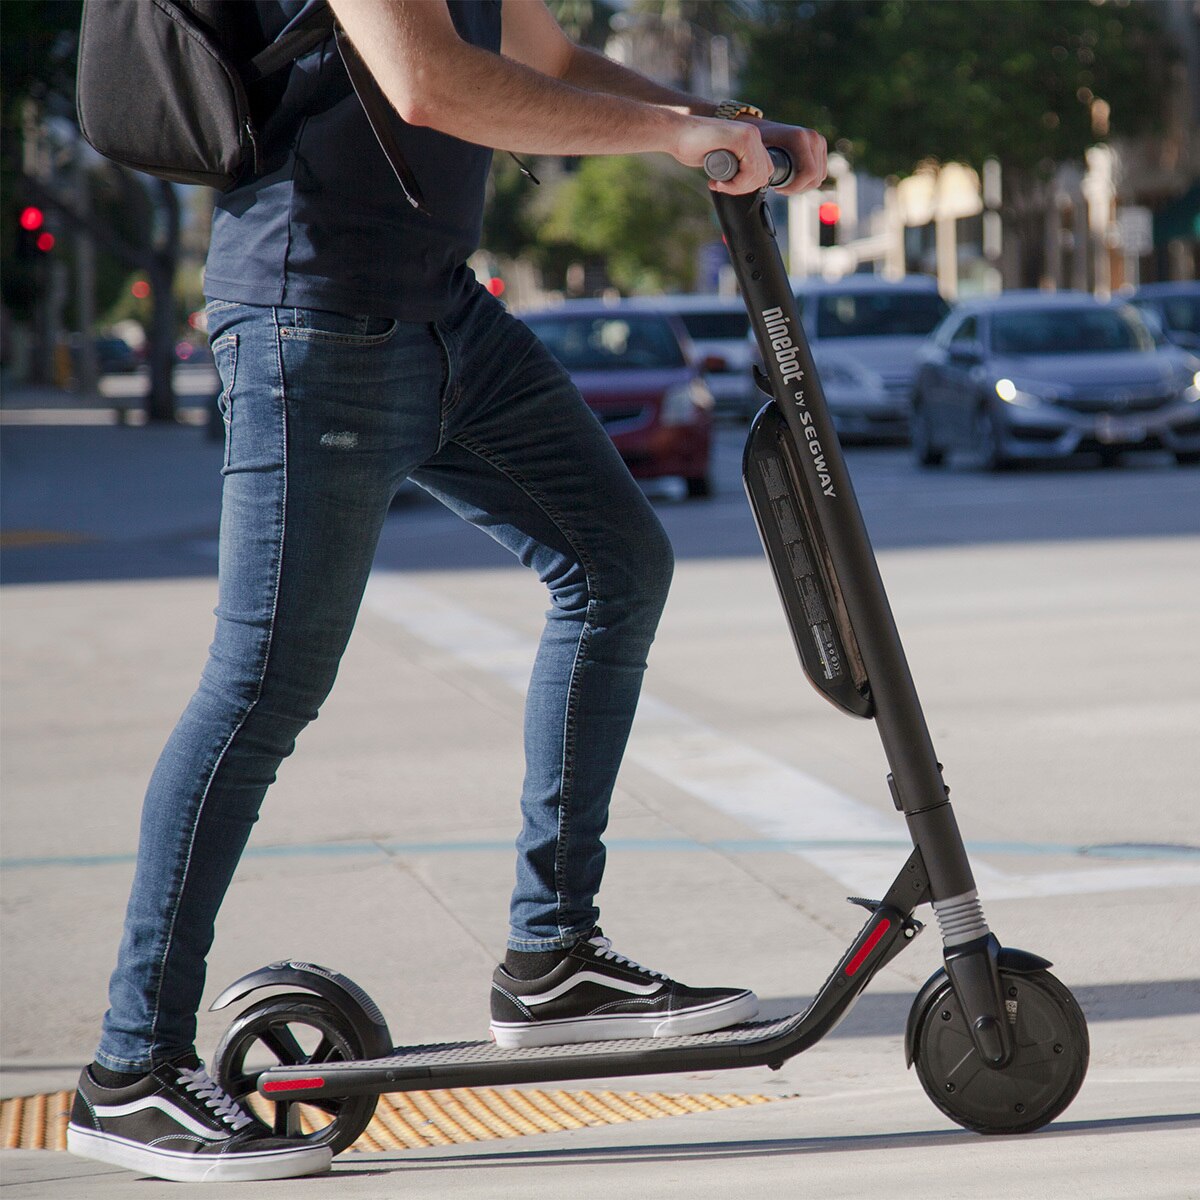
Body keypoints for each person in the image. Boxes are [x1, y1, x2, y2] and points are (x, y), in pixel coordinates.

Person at [67, 0, 827, 1183]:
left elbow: (546, 58)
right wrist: (668, 138)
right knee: (264, 683)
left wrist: (721, 120)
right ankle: (130, 1072)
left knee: (617, 564)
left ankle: (553, 958)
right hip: (308, 318)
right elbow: (428, 82)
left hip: (443, 315)